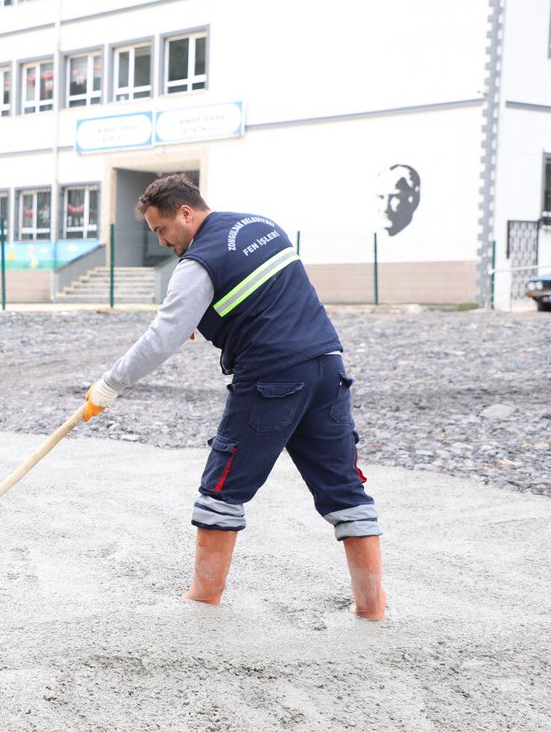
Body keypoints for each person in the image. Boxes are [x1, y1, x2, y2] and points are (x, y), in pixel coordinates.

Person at [83, 175, 386, 620]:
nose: (164, 241)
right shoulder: (262, 225)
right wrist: (204, 315)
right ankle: (372, 608)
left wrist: (109, 385)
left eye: (161, 229)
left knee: (221, 490)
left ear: (186, 213)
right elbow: (264, 297)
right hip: (327, 366)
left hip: (271, 379)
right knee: (345, 492)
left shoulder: (198, 263)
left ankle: (202, 601)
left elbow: (161, 337)